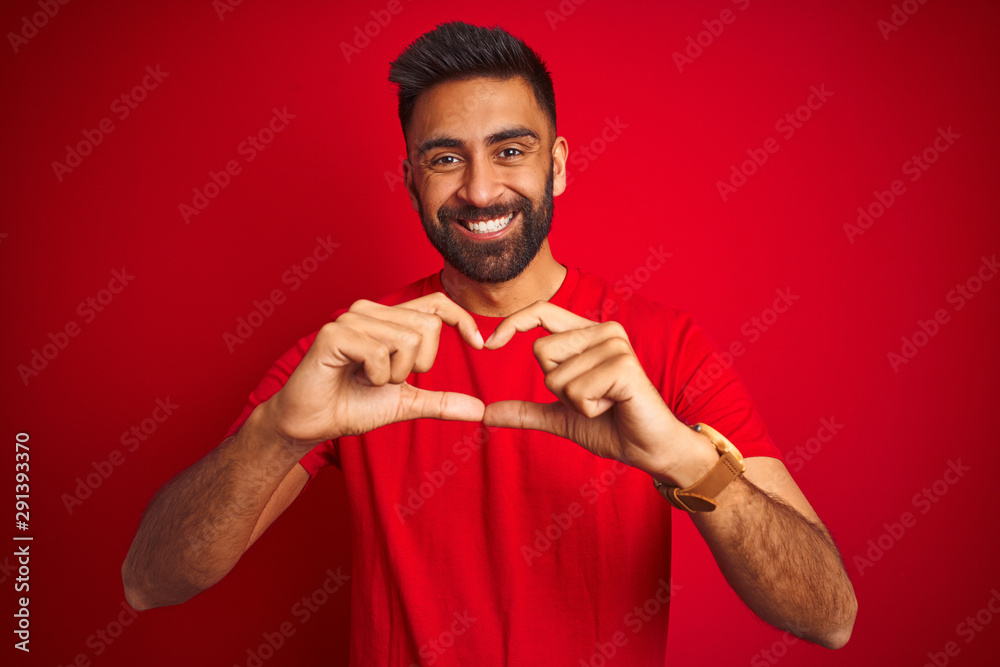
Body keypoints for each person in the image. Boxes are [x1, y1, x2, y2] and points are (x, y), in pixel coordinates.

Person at [122, 21, 857, 664]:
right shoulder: (350, 351)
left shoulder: (665, 347)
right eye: (445, 159)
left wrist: (683, 458)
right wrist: (276, 431)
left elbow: (829, 617)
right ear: (410, 177)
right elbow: (149, 580)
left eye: (510, 150)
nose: (479, 189)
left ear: (558, 164)